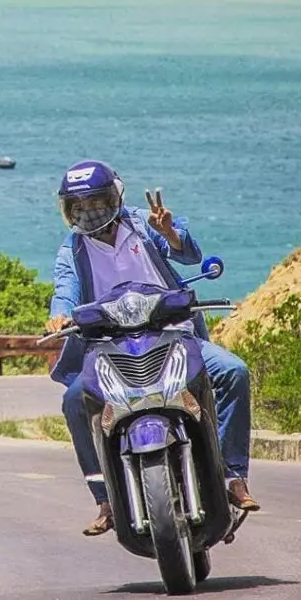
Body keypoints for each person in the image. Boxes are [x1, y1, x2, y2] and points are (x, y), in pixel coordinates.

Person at [46, 160, 259, 537]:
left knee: (232, 372)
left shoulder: (146, 223)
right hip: (108, 346)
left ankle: (233, 476)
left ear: (114, 198)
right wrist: (60, 316)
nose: (88, 213)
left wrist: (171, 234)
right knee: (75, 400)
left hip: (175, 333)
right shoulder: (71, 250)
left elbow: (189, 255)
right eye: (78, 207)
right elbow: (65, 290)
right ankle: (105, 500)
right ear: (68, 211)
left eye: (96, 202)